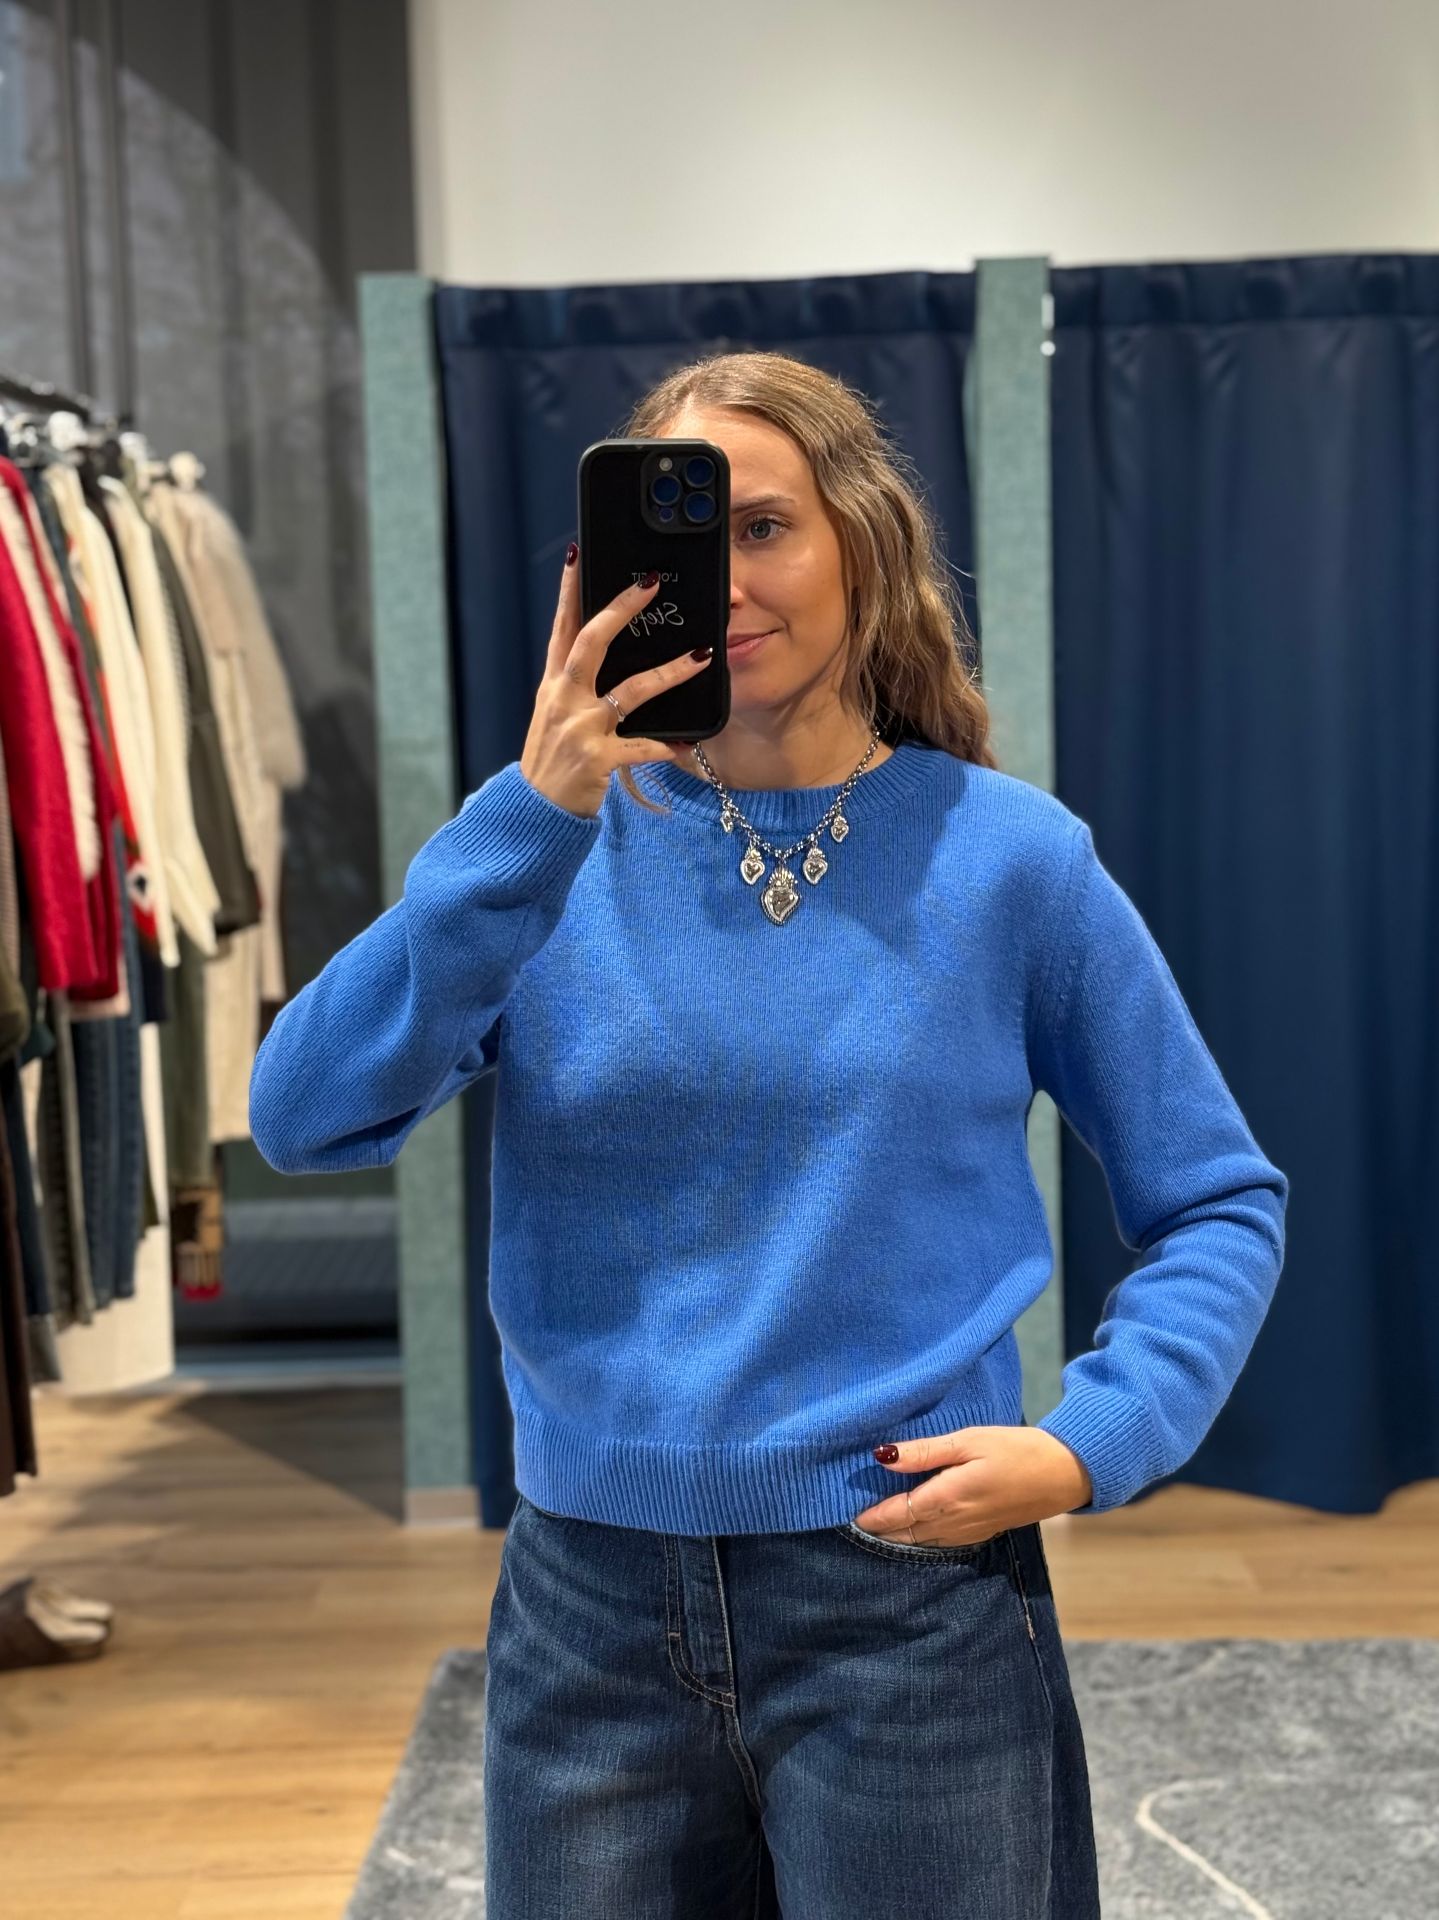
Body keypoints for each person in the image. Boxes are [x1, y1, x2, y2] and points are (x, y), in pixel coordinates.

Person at [249, 351, 1288, 1917]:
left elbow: (1216, 1196)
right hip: (588, 1607)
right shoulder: (542, 852)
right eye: (677, 537)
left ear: (863, 544)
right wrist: (529, 822)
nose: (722, 582)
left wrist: (1096, 1439)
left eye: (763, 528)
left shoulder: (1012, 861)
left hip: (908, 1594)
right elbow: (303, 1114)